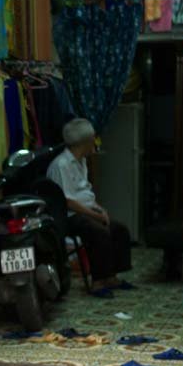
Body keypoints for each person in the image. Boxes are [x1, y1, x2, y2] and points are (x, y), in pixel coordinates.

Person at [47, 118, 134, 296]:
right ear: (85, 142)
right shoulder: (61, 164)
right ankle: (98, 282)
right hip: (69, 216)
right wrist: (94, 215)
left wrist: (99, 209)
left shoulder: (81, 161)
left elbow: (84, 193)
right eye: (93, 139)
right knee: (98, 231)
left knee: (119, 229)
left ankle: (111, 276)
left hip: (85, 212)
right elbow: (68, 201)